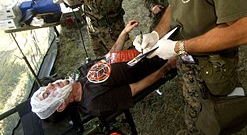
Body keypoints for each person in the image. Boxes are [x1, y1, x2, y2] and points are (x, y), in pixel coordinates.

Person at [132, 0, 247, 134]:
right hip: (188, 59)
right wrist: (156, 34)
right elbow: (176, 4)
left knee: (215, 120)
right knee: (194, 108)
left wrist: (179, 47)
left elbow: (245, 29)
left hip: (214, 65)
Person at [30, 20, 176, 119]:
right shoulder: (94, 103)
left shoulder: (79, 75)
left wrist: (123, 33)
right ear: (61, 105)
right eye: (47, 93)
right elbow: (137, 88)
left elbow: (109, 57)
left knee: (175, 20)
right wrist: (167, 66)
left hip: (142, 47)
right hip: (157, 58)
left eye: (45, 87)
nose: (49, 85)